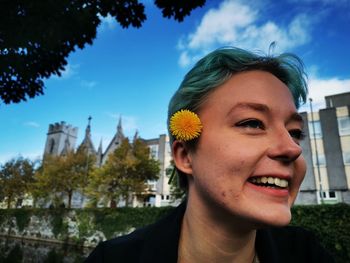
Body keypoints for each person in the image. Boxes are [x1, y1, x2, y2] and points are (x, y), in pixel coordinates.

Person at [85, 47, 334, 263]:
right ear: (185, 156)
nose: (292, 148)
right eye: (253, 123)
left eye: (295, 132)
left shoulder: (308, 254)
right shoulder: (112, 259)